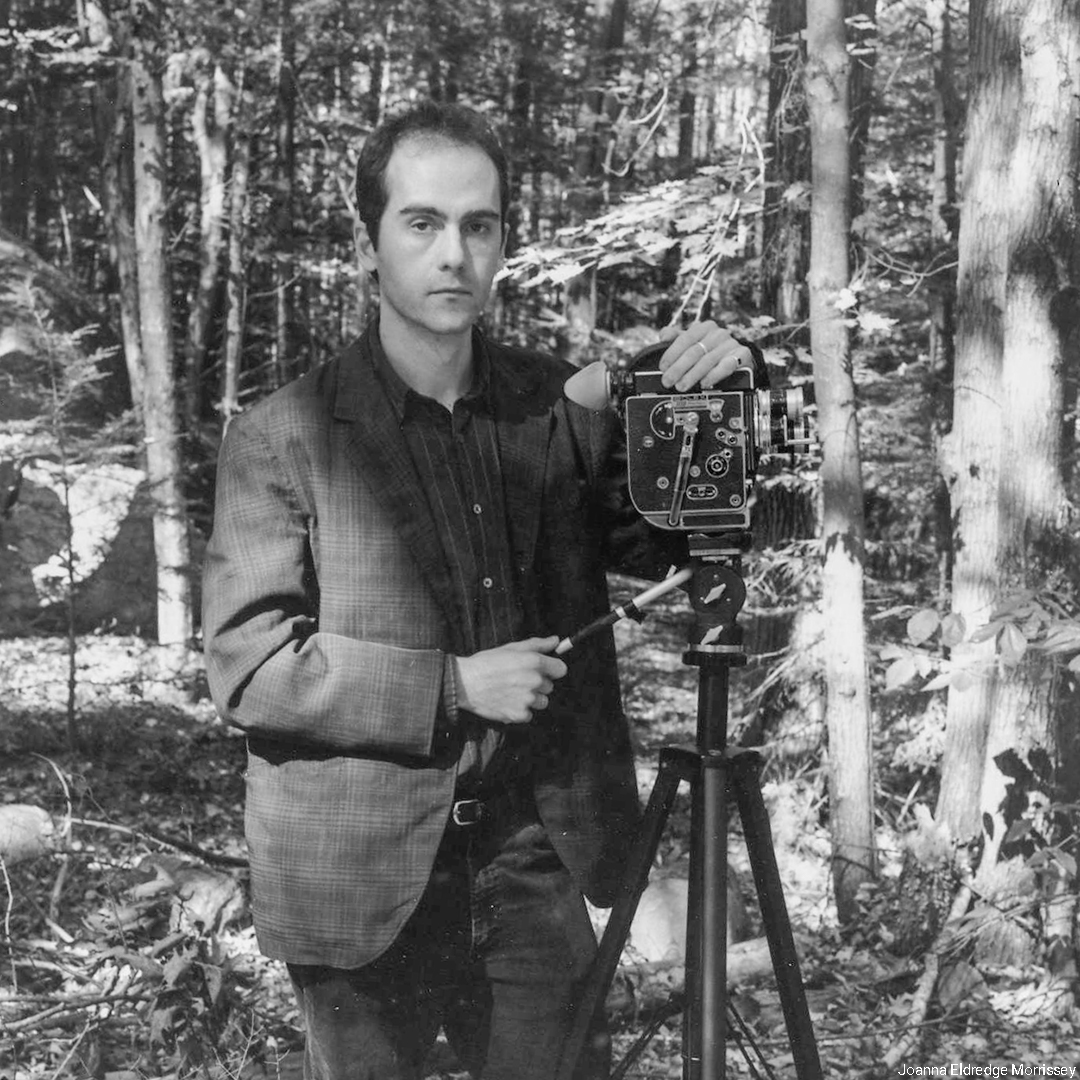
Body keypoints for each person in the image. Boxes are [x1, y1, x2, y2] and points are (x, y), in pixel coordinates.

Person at [202, 100, 754, 1080]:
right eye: (422, 222)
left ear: (502, 241)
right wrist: (454, 685)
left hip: (528, 865)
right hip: (356, 876)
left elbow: (690, 539)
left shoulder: (558, 408)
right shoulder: (283, 436)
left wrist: (718, 400)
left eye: (479, 224)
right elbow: (250, 668)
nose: (453, 252)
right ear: (369, 242)